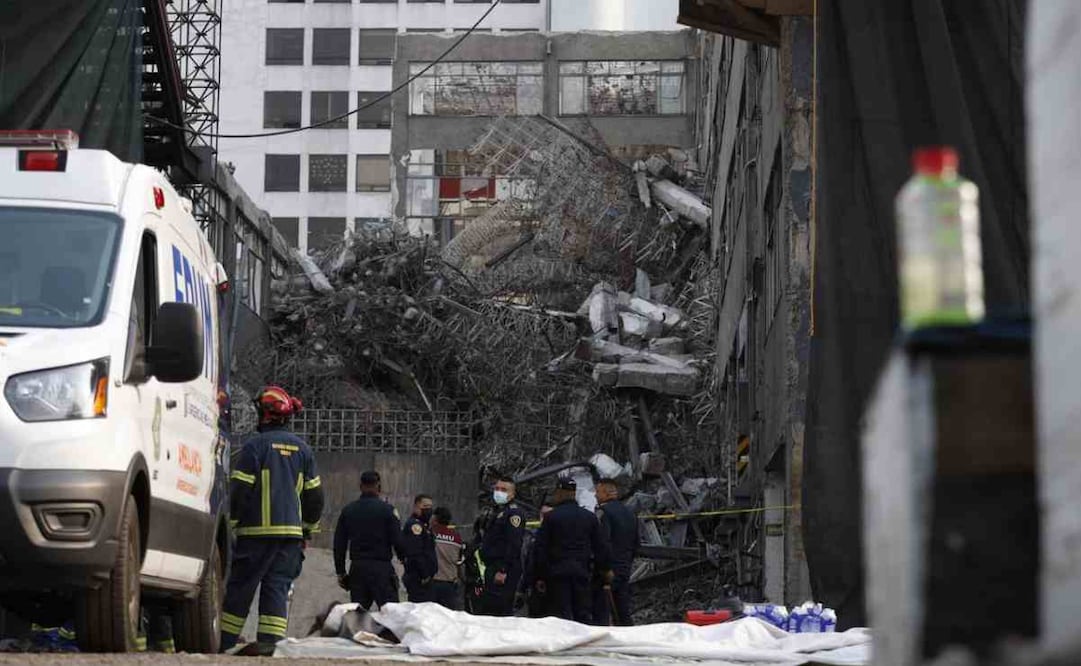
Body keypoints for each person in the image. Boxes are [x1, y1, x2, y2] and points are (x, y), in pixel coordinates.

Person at [221, 386, 324, 655]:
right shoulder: (303, 450)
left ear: (264, 414)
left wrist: (231, 523)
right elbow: (315, 497)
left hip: (255, 535)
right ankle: (271, 647)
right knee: (277, 589)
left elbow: (240, 490)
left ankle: (222, 644)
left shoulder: (255, 446)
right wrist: (307, 530)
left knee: (241, 588)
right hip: (290, 538)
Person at [532, 478, 611, 624]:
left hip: (557, 575)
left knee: (561, 618)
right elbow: (601, 548)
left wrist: (540, 576)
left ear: (559, 493)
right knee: (582, 615)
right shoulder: (589, 517)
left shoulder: (551, 518)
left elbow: (541, 550)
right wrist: (605, 571)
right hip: (582, 573)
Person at [333, 470, 405, 610]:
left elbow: (339, 544)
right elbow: (397, 540)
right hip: (382, 570)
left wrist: (341, 572)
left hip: (358, 570)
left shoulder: (348, 511)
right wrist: (403, 558)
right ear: (379, 487)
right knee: (390, 615)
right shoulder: (388, 510)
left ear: (360, 486)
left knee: (358, 617)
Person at [592, 478, 639, 625]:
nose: (595, 495)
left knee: (602, 611)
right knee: (622, 609)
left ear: (606, 493)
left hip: (608, 571)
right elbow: (636, 543)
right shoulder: (629, 513)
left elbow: (602, 543)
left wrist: (604, 568)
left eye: (597, 492)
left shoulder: (604, 513)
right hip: (625, 566)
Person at [479, 476, 526, 616]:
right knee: (489, 607)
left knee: (498, 609)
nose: (499, 492)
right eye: (497, 489)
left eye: (504, 490)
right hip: (492, 566)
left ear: (512, 494)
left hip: (503, 569)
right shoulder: (499, 512)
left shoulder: (513, 514)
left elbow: (514, 544)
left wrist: (502, 570)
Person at [401, 494, 438, 602]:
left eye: (430, 507)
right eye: (425, 506)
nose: (428, 510)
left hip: (425, 578)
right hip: (418, 578)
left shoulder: (424, 526)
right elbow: (415, 553)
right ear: (416, 507)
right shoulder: (415, 526)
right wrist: (424, 575)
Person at [430, 506, 465, 610]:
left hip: (433, 581)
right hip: (450, 582)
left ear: (435, 519)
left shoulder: (431, 533)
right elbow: (459, 560)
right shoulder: (456, 537)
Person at [524, 503, 553, 618]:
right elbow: (528, 562)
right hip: (533, 587)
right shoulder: (531, 536)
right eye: (542, 515)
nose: (544, 518)